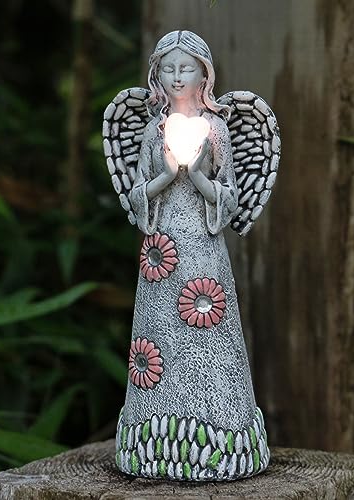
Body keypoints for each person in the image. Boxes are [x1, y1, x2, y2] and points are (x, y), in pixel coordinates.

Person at [115, 30, 269, 481]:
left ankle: (224, 432)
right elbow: (137, 195)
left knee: (208, 331)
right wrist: (166, 175)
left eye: (186, 68)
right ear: (156, 75)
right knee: (158, 338)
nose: (177, 76)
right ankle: (149, 436)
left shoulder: (216, 130)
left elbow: (230, 197)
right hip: (162, 252)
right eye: (168, 68)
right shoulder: (153, 131)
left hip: (202, 250)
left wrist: (199, 176)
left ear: (205, 74)